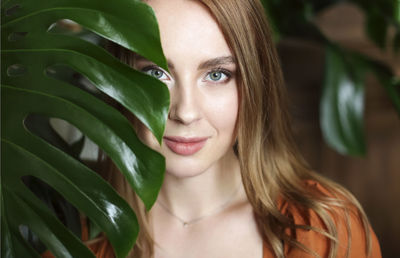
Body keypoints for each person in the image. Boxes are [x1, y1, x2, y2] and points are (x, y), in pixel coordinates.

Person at [99, 0, 382, 257]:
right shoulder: (77, 222)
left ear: (254, 84)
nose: (186, 112)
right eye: (155, 73)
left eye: (216, 75)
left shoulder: (326, 229)